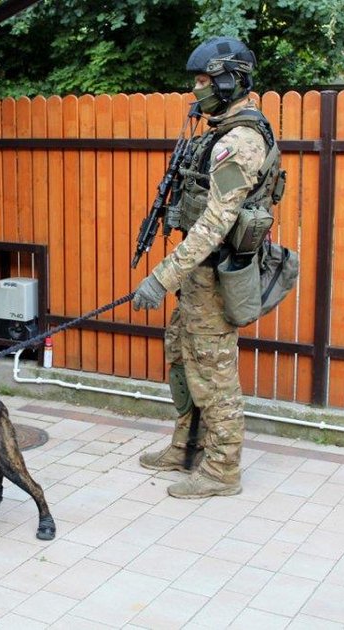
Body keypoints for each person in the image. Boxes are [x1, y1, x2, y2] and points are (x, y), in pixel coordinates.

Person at [133, 38, 281, 498]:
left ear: (229, 80)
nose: (196, 90)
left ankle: (221, 470)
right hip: (198, 276)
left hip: (216, 274)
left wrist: (162, 277)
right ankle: (187, 447)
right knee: (181, 354)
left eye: (203, 81)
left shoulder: (241, 141)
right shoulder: (217, 131)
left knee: (213, 372)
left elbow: (217, 222)